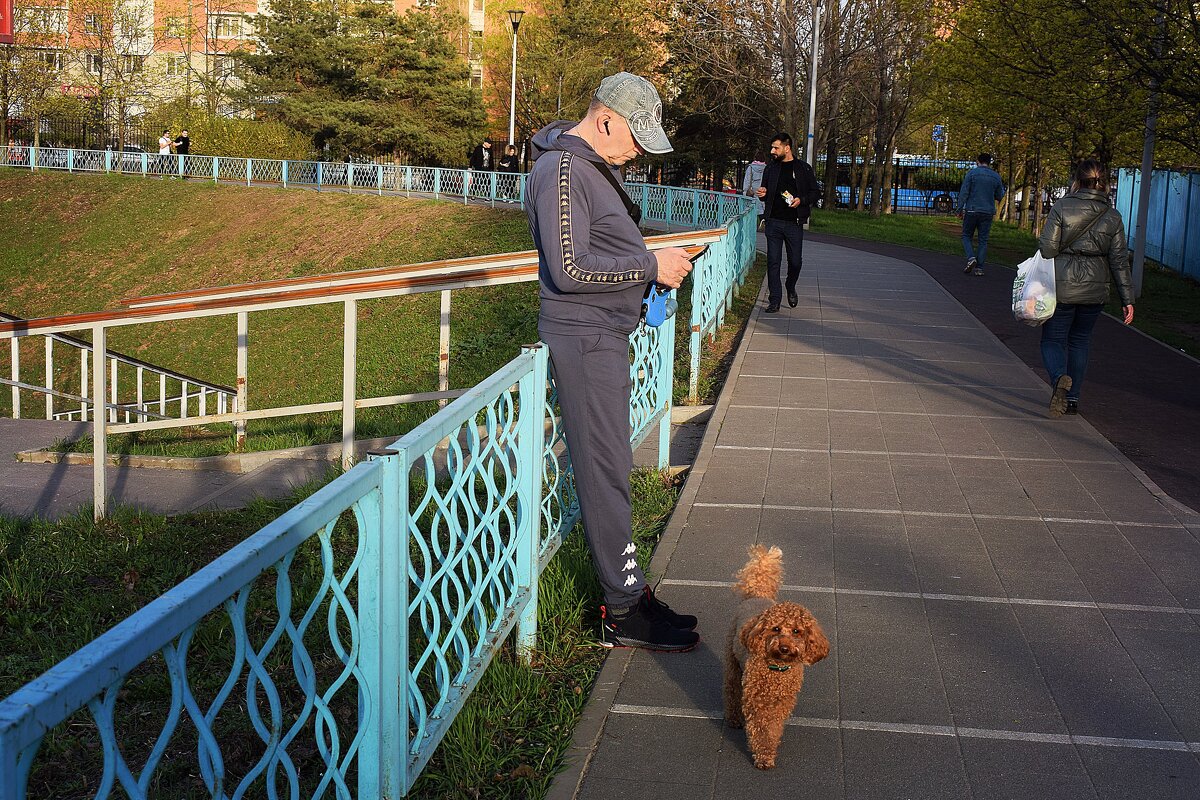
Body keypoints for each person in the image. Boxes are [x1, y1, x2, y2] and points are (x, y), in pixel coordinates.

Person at [525, 72, 699, 652]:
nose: (639, 152)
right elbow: (571, 270)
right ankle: (621, 610)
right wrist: (651, 266)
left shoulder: (587, 169)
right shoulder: (565, 170)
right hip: (585, 339)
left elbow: (593, 252)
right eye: (635, 137)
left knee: (613, 468)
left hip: (602, 336)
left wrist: (651, 259)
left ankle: (630, 591)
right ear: (604, 119)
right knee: (605, 474)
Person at [1037, 159, 1134, 417]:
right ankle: (1073, 399)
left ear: (1077, 180)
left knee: (1052, 340)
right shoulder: (1112, 216)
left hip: (1062, 286)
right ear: (1105, 183)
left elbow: (1047, 249)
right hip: (1095, 288)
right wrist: (1128, 298)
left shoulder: (1062, 207)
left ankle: (1059, 378)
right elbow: (1119, 260)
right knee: (1080, 341)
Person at [756, 133, 820, 312]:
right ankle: (774, 300)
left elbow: (816, 192)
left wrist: (802, 200)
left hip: (794, 223)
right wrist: (763, 193)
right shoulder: (770, 168)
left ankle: (790, 286)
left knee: (795, 262)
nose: (772, 151)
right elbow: (766, 193)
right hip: (773, 222)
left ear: (787, 148)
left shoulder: (803, 168)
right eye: (772, 147)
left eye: (776, 148)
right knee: (773, 261)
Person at [955, 152, 1007, 276]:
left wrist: (959, 209)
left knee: (966, 236)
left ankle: (971, 257)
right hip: (988, 211)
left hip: (972, 209)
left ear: (978, 161)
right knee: (983, 240)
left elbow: (964, 193)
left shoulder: (972, 174)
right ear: (989, 162)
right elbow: (1000, 195)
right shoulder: (996, 176)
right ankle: (979, 268)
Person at [741, 152, 767, 229]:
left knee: (752, 207)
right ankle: (763, 221)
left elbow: (747, 180)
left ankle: (752, 225)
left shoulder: (751, 168)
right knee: (762, 206)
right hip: (762, 190)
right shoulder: (766, 168)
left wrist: (745, 192)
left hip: (753, 191)